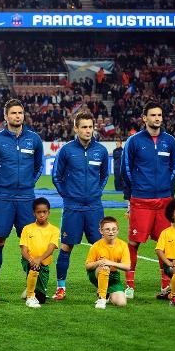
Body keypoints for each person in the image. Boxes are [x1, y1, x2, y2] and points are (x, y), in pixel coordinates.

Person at [0, 99, 44, 301]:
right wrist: (1, 188)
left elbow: (38, 168)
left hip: (27, 199)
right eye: (13, 113)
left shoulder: (34, 140)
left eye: (20, 113)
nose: (17, 116)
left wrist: (27, 185)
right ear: (6, 116)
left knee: (30, 245)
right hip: (3, 198)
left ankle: (31, 288)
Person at [121, 101, 175, 299]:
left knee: (165, 244)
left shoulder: (169, 141)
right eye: (153, 115)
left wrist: (168, 194)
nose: (157, 119)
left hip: (164, 201)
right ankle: (129, 286)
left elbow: (173, 168)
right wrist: (132, 194)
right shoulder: (134, 141)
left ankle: (166, 285)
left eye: (160, 115)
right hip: (141, 200)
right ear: (144, 118)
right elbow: (125, 170)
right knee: (134, 242)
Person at [51, 110, 109, 300]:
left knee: (100, 248)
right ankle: (61, 287)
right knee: (66, 246)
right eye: (83, 127)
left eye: (90, 127)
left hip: (94, 207)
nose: (87, 130)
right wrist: (67, 196)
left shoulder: (100, 150)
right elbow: (56, 177)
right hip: (73, 207)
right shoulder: (66, 150)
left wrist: (97, 192)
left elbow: (104, 175)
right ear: (76, 128)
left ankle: (103, 287)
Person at [20, 197, 60, 308]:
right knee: (34, 267)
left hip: (44, 263)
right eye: (39, 212)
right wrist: (31, 260)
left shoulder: (54, 230)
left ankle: (29, 289)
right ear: (34, 213)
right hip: (29, 261)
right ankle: (30, 297)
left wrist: (39, 259)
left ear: (49, 213)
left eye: (44, 212)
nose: (42, 215)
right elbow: (24, 250)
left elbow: (51, 249)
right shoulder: (27, 229)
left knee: (41, 299)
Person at [85, 216, 130, 309]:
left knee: (122, 303)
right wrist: (100, 262)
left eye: (114, 229)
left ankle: (108, 295)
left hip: (113, 277)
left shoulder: (123, 245)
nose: (111, 232)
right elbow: (88, 266)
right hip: (97, 274)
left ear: (118, 230)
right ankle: (102, 298)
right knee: (104, 267)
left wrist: (110, 263)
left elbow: (127, 267)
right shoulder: (96, 246)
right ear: (101, 231)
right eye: (107, 229)